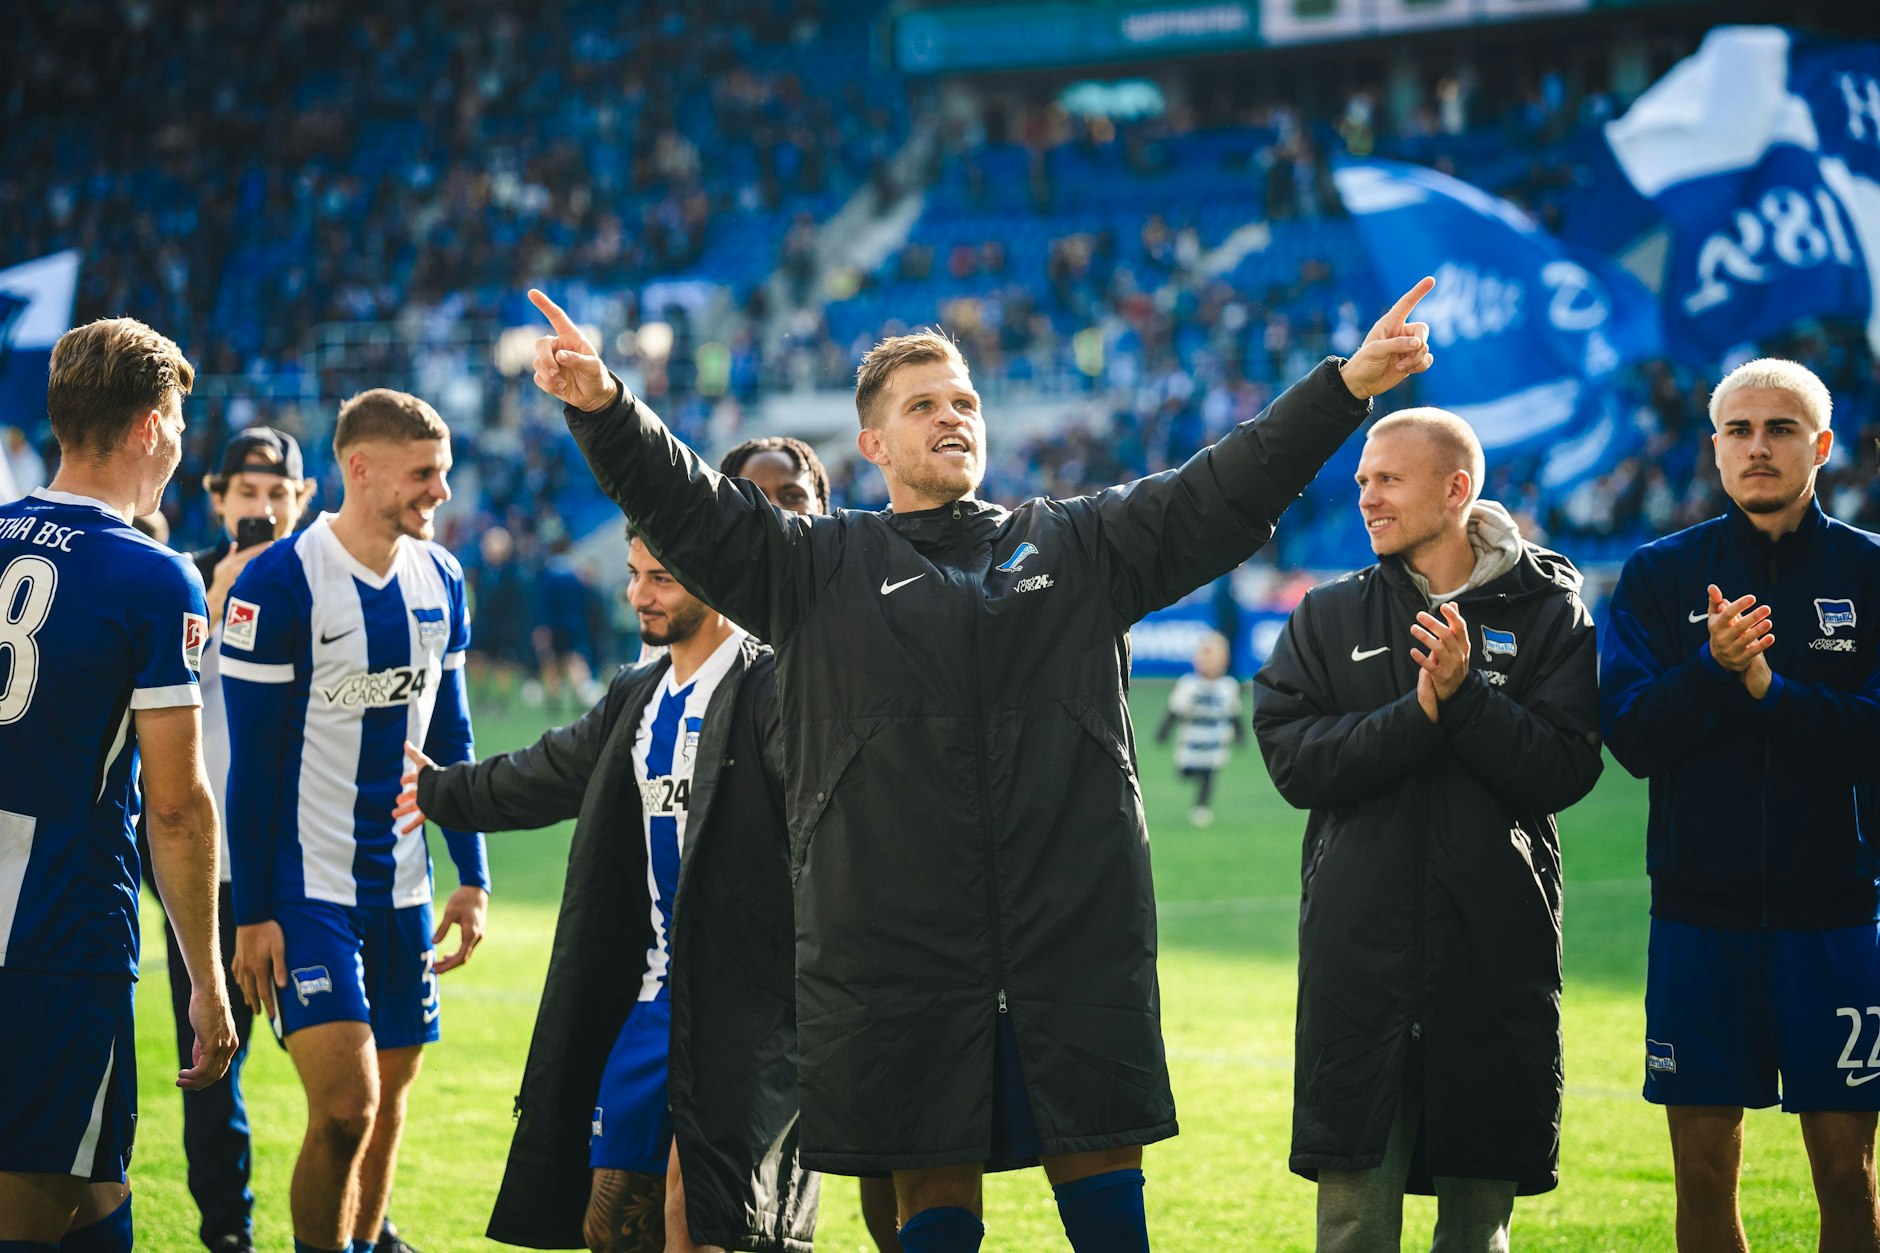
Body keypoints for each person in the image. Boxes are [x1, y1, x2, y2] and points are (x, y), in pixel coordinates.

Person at [525, 277, 1437, 1252]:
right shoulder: (811, 567)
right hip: (894, 952)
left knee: (1104, 1188)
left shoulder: (1077, 542)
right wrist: (605, 408)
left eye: (963, 400)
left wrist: (1343, 388)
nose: (951, 416)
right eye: (921, 405)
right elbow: (690, 503)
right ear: (871, 445)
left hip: (1073, 936)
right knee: (933, 1198)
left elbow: (1225, 484)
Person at [395, 526, 817, 1253]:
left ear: (714, 578)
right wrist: (440, 790)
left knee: (708, 1217)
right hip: (653, 999)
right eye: (634, 574)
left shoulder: (772, 689)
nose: (638, 595)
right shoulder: (638, 693)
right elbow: (546, 770)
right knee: (613, 1217)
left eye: (661, 578)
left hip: (746, 1006)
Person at [1252, 408, 1603, 1251]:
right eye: (1364, 479)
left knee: (1477, 1232)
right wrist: (1418, 715)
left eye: (1387, 480)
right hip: (1357, 971)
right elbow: (1294, 761)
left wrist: (1469, 698)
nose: (1366, 496)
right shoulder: (1327, 615)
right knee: (1350, 1228)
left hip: (1491, 963)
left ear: (1455, 490)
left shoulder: (1553, 616)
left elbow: (1565, 768)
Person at [1600, 358, 1880, 1253]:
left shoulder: (1871, 573)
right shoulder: (1659, 574)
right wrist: (1714, 672)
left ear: (1822, 446)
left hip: (1836, 921)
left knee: (1847, 1175)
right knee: (1703, 1178)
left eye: (1782, 428)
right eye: (1739, 430)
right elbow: (1633, 736)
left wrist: (1765, 687)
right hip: (1698, 919)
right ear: (1714, 448)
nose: (1758, 445)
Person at [220, 389, 490, 1253]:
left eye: (443, 475)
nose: (439, 494)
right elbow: (252, 775)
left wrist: (472, 874)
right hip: (305, 893)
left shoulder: (441, 577)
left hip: (405, 888)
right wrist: (253, 911)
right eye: (422, 476)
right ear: (358, 468)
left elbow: (452, 739)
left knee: (388, 1103)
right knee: (346, 1107)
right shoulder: (280, 583)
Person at [0, 317, 238, 1251]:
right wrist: (207, 981)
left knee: (99, 1188)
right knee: (32, 1197)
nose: (182, 439)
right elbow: (175, 807)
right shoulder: (154, 575)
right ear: (148, 427)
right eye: (177, 418)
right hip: (60, 929)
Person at [718, 434, 899, 1251]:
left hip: (874, 931)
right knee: (745, 1178)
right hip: (754, 955)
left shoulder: (876, 612)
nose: (776, 513)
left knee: (889, 1150)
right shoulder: (708, 664)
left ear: (824, 507)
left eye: (792, 495)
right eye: (754, 498)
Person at [138, 427, 317, 1253]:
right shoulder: (184, 580)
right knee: (211, 1062)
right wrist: (215, 604)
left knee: (341, 1050)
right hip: (208, 868)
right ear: (218, 498)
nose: (264, 510)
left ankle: (363, 1217)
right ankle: (228, 1235)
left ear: (304, 500)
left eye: (280, 495)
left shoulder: (327, 582)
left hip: (305, 861)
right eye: (248, 495)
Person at [1154, 632, 1243, 827]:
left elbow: (1234, 712)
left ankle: (1201, 808)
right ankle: (1196, 785)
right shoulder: (1188, 684)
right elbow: (1174, 709)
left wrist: (1239, 734)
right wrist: (1163, 732)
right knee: (1184, 772)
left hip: (1216, 739)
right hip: (1191, 739)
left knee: (1210, 772)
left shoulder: (1228, 686)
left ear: (1224, 661)